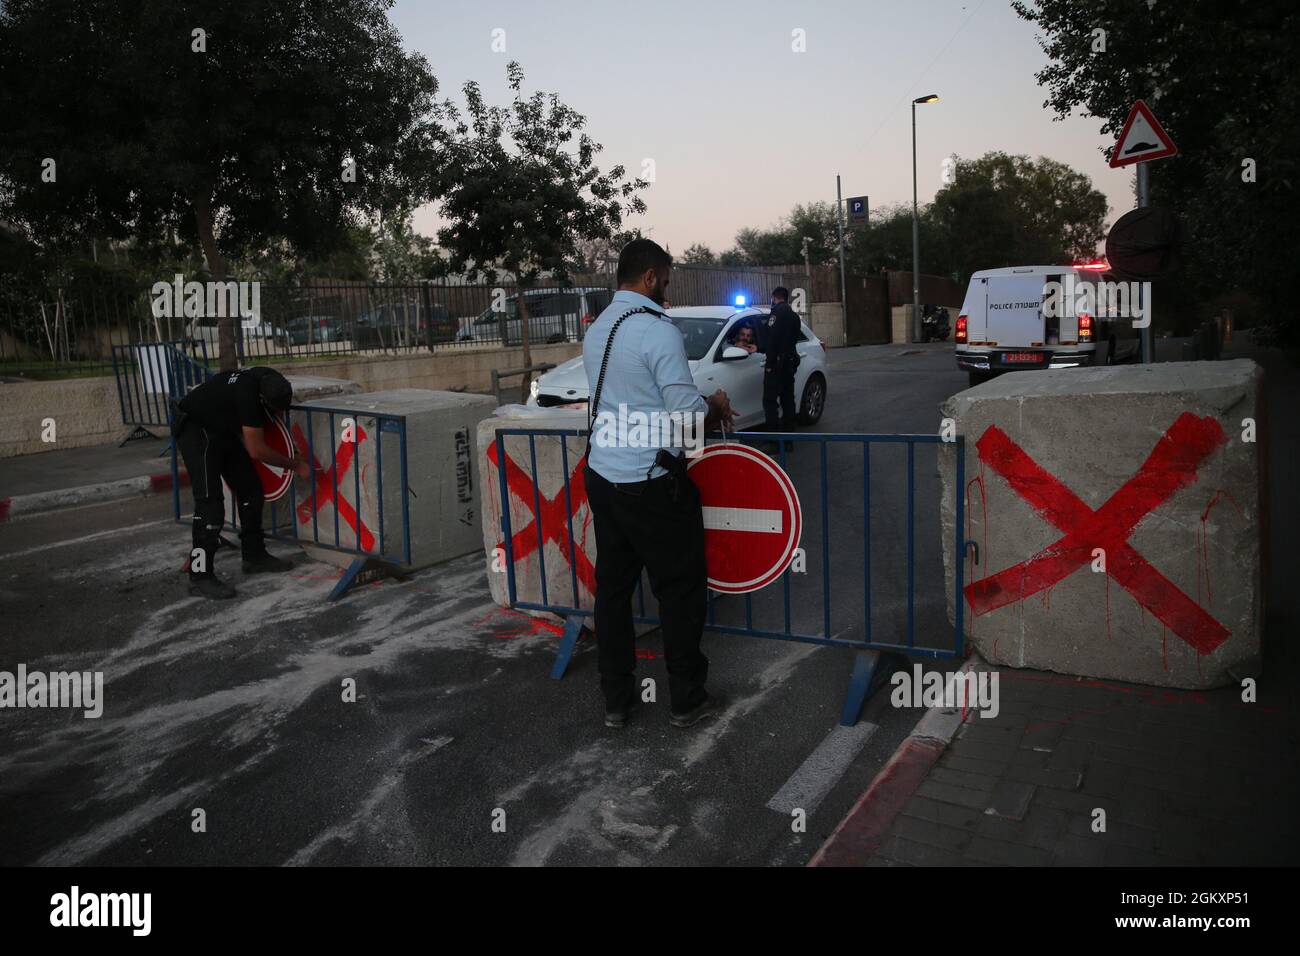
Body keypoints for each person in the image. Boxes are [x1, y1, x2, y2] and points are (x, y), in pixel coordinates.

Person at [582, 238, 735, 730]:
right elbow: (686, 414)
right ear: (650, 277)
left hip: (603, 476)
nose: (667, 289)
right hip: (651, 483)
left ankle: (616, 700)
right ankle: (687, 700)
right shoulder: (657, 330)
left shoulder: (598, 328)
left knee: (613, 592)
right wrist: (715, 406)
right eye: (665, 280)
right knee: (680, 591)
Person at [172, 366, 311, 599]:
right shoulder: (248, 397)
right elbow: (257, 450)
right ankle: (199, 575)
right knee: (210, 506)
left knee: (251, 490)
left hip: (222, 429)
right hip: (195, 429)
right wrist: (295, 465)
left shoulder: (267, 378)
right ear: (262, 400)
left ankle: (254, 556)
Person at [760, 286, 801, 443]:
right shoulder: (794, 316)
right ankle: (788, 440)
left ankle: (773, 441)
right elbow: (794, 338)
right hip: (789, 363)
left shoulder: (776, 314)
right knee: (788, 400)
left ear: (773, 297)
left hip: (776, 364)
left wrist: (767, 356)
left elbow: (771, 338)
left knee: (770, 402)